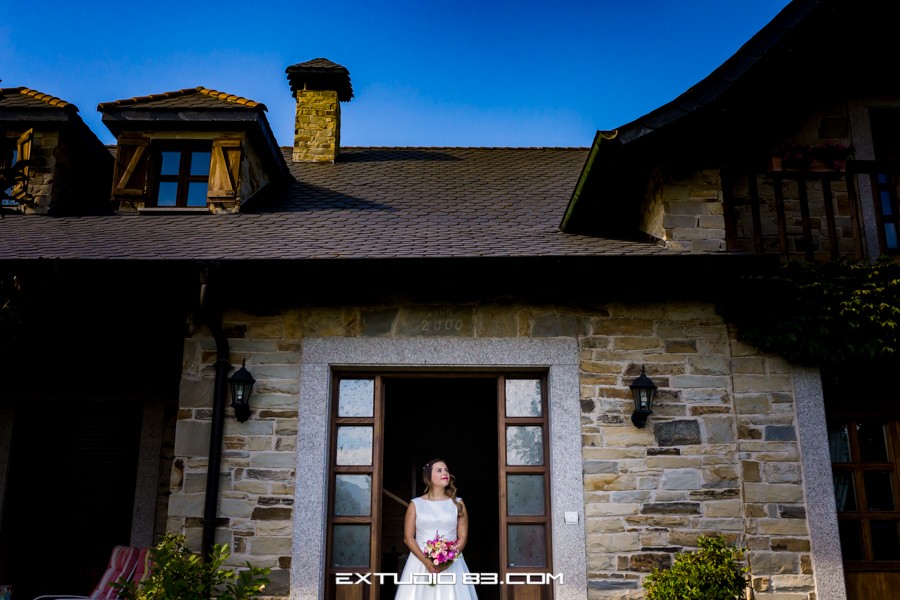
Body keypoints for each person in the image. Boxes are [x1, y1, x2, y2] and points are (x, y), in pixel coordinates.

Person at [394, 458, 478, 599]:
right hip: (420, 562)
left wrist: (449, 558)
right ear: (428, 477)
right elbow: (408, 538)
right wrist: (426, 561)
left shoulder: (458, 503)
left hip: (452, 563)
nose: (444, 473)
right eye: (439, 470)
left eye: (446, 470)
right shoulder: (416, 504)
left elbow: (463, 537)